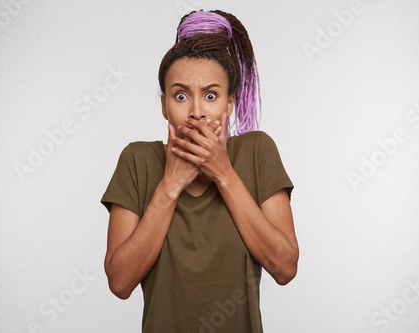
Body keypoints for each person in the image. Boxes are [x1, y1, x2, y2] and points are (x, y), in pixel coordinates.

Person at [101, 9, 299, 332]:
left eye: (210, 95)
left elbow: (285, 267)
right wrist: (170, 185)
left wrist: (223, 173)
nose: (196, 112)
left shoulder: (257, 152)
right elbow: (120, 282)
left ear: (229, 104)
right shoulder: (137, 160)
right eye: (181, 96)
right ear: (164, 105)